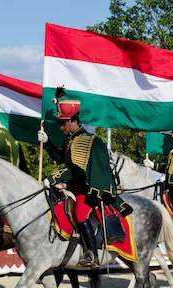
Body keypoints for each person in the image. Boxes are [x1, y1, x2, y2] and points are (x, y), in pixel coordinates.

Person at [38, 96, 132, 268]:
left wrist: (52, 178)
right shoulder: (71, 139)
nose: (61, 127)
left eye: (63, 123)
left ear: (73, 121)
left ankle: (92, 255)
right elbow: (61, 158)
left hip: (91, 189)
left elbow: (75, 169)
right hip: (76, 187)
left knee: (80, 213)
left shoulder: (85, 140)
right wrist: (48, 143)